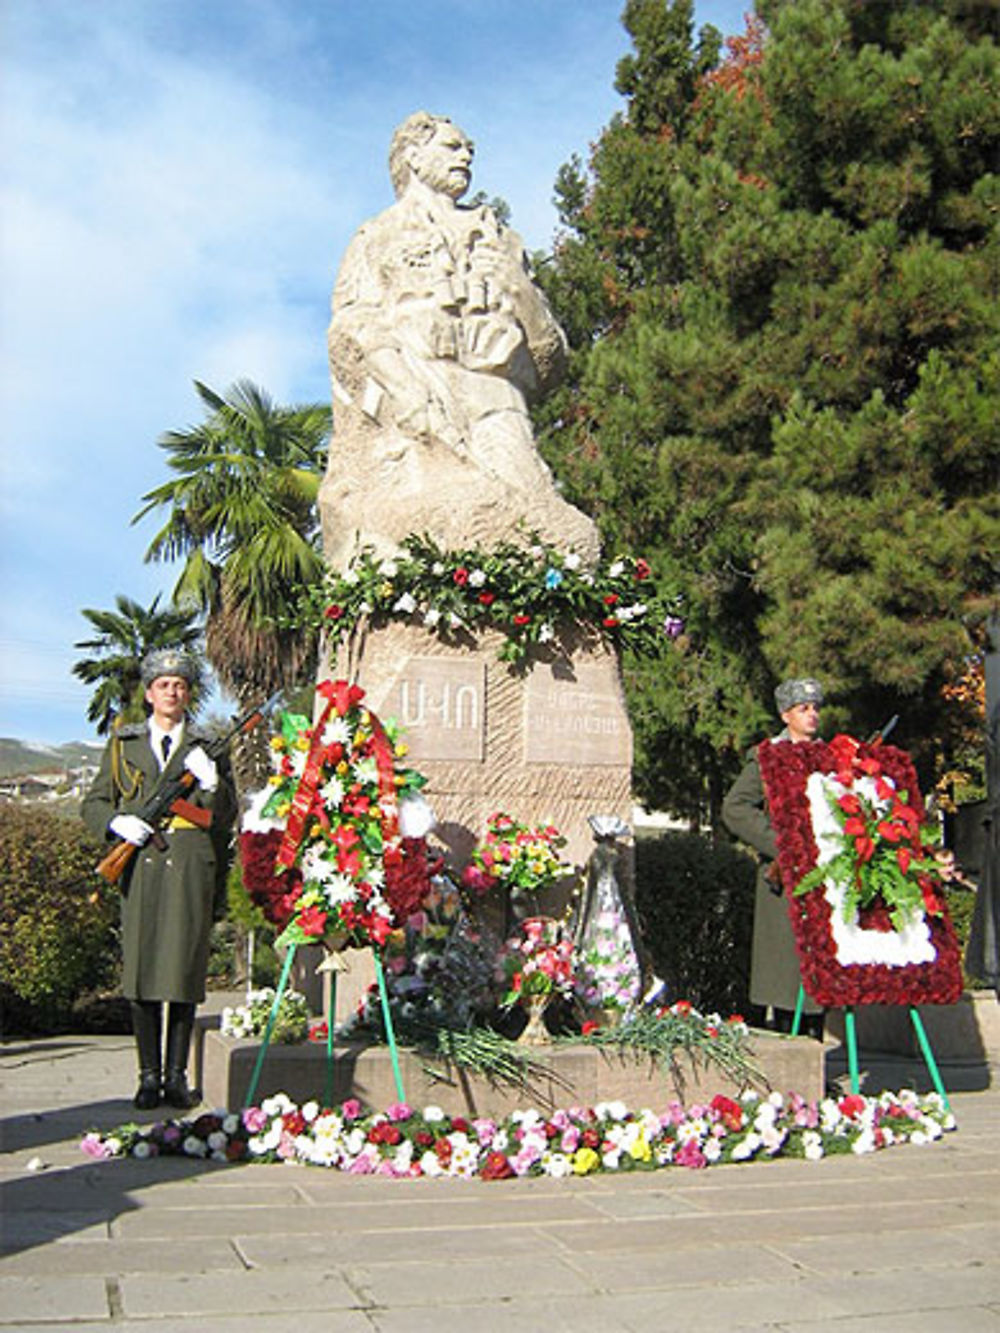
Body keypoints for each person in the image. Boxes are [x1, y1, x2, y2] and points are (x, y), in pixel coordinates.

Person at [320, 109, 598, 567]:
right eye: (452, 146)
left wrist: (518, 287)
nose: (466, 155)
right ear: (412, 155)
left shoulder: (501, 239)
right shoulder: (375, 238)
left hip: (496, 398)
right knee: (437, 520)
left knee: (545, 530)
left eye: (469, 149)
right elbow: (352, 328)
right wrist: (405, 390)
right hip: (413, 401)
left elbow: (551, 359)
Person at [82, 650, 235, 1109]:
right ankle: (148, 1077)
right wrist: (118, 826)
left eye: (181, 685)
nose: (173, 691)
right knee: (144, 972)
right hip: (142, 865)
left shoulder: (209, 748)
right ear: (149, 694)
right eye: (164, 685)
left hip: (190, 866)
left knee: (184, 974)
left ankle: (176, 1078)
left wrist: (212, 785)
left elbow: (225, 817)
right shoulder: (123, 744)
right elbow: (93, 803)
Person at [722, 677, 826, 1037]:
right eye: (803, 709)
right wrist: (782, 845)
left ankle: (814, 1068)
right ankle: (792, 1067)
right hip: (783, 877)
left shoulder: (831, 758)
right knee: (785, 977)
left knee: (819, 978)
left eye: (815, 708)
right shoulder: (767, 758)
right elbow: (735, 809)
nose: (812, 715)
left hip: (825, 876)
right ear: (786, 715)